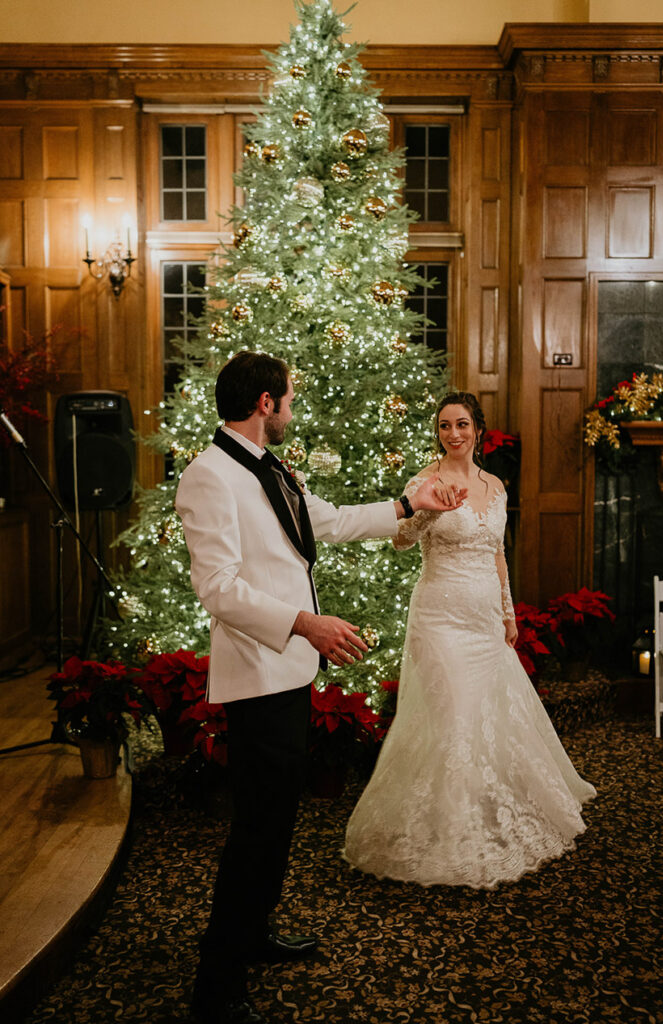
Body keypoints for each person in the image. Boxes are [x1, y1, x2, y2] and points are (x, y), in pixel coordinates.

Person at [175, 351, 465, 1024]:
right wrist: (303, 622)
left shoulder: (275, 467)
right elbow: (215, 588)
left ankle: (252, 934)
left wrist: (404, 502)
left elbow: (326, 523)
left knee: (277, 821)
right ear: (266, 403)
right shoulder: (208, 475)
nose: (293, 406)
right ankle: (214, 989)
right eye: (290, 397)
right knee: (254, 829)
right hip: (256, 675)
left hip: (288, 672)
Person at [344, 391, 596, 890]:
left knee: (486, 716)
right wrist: (430, 511)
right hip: (439, 618)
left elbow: (497, 552)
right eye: (443, 426)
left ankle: (483, 811)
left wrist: (507, 613)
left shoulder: (495, 486)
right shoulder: (425, 481)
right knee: (453, 717)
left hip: (483, 618)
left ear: (478, 429)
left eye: (461, 424)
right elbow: (400, 539)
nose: (452, 434)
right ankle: (448, 834)